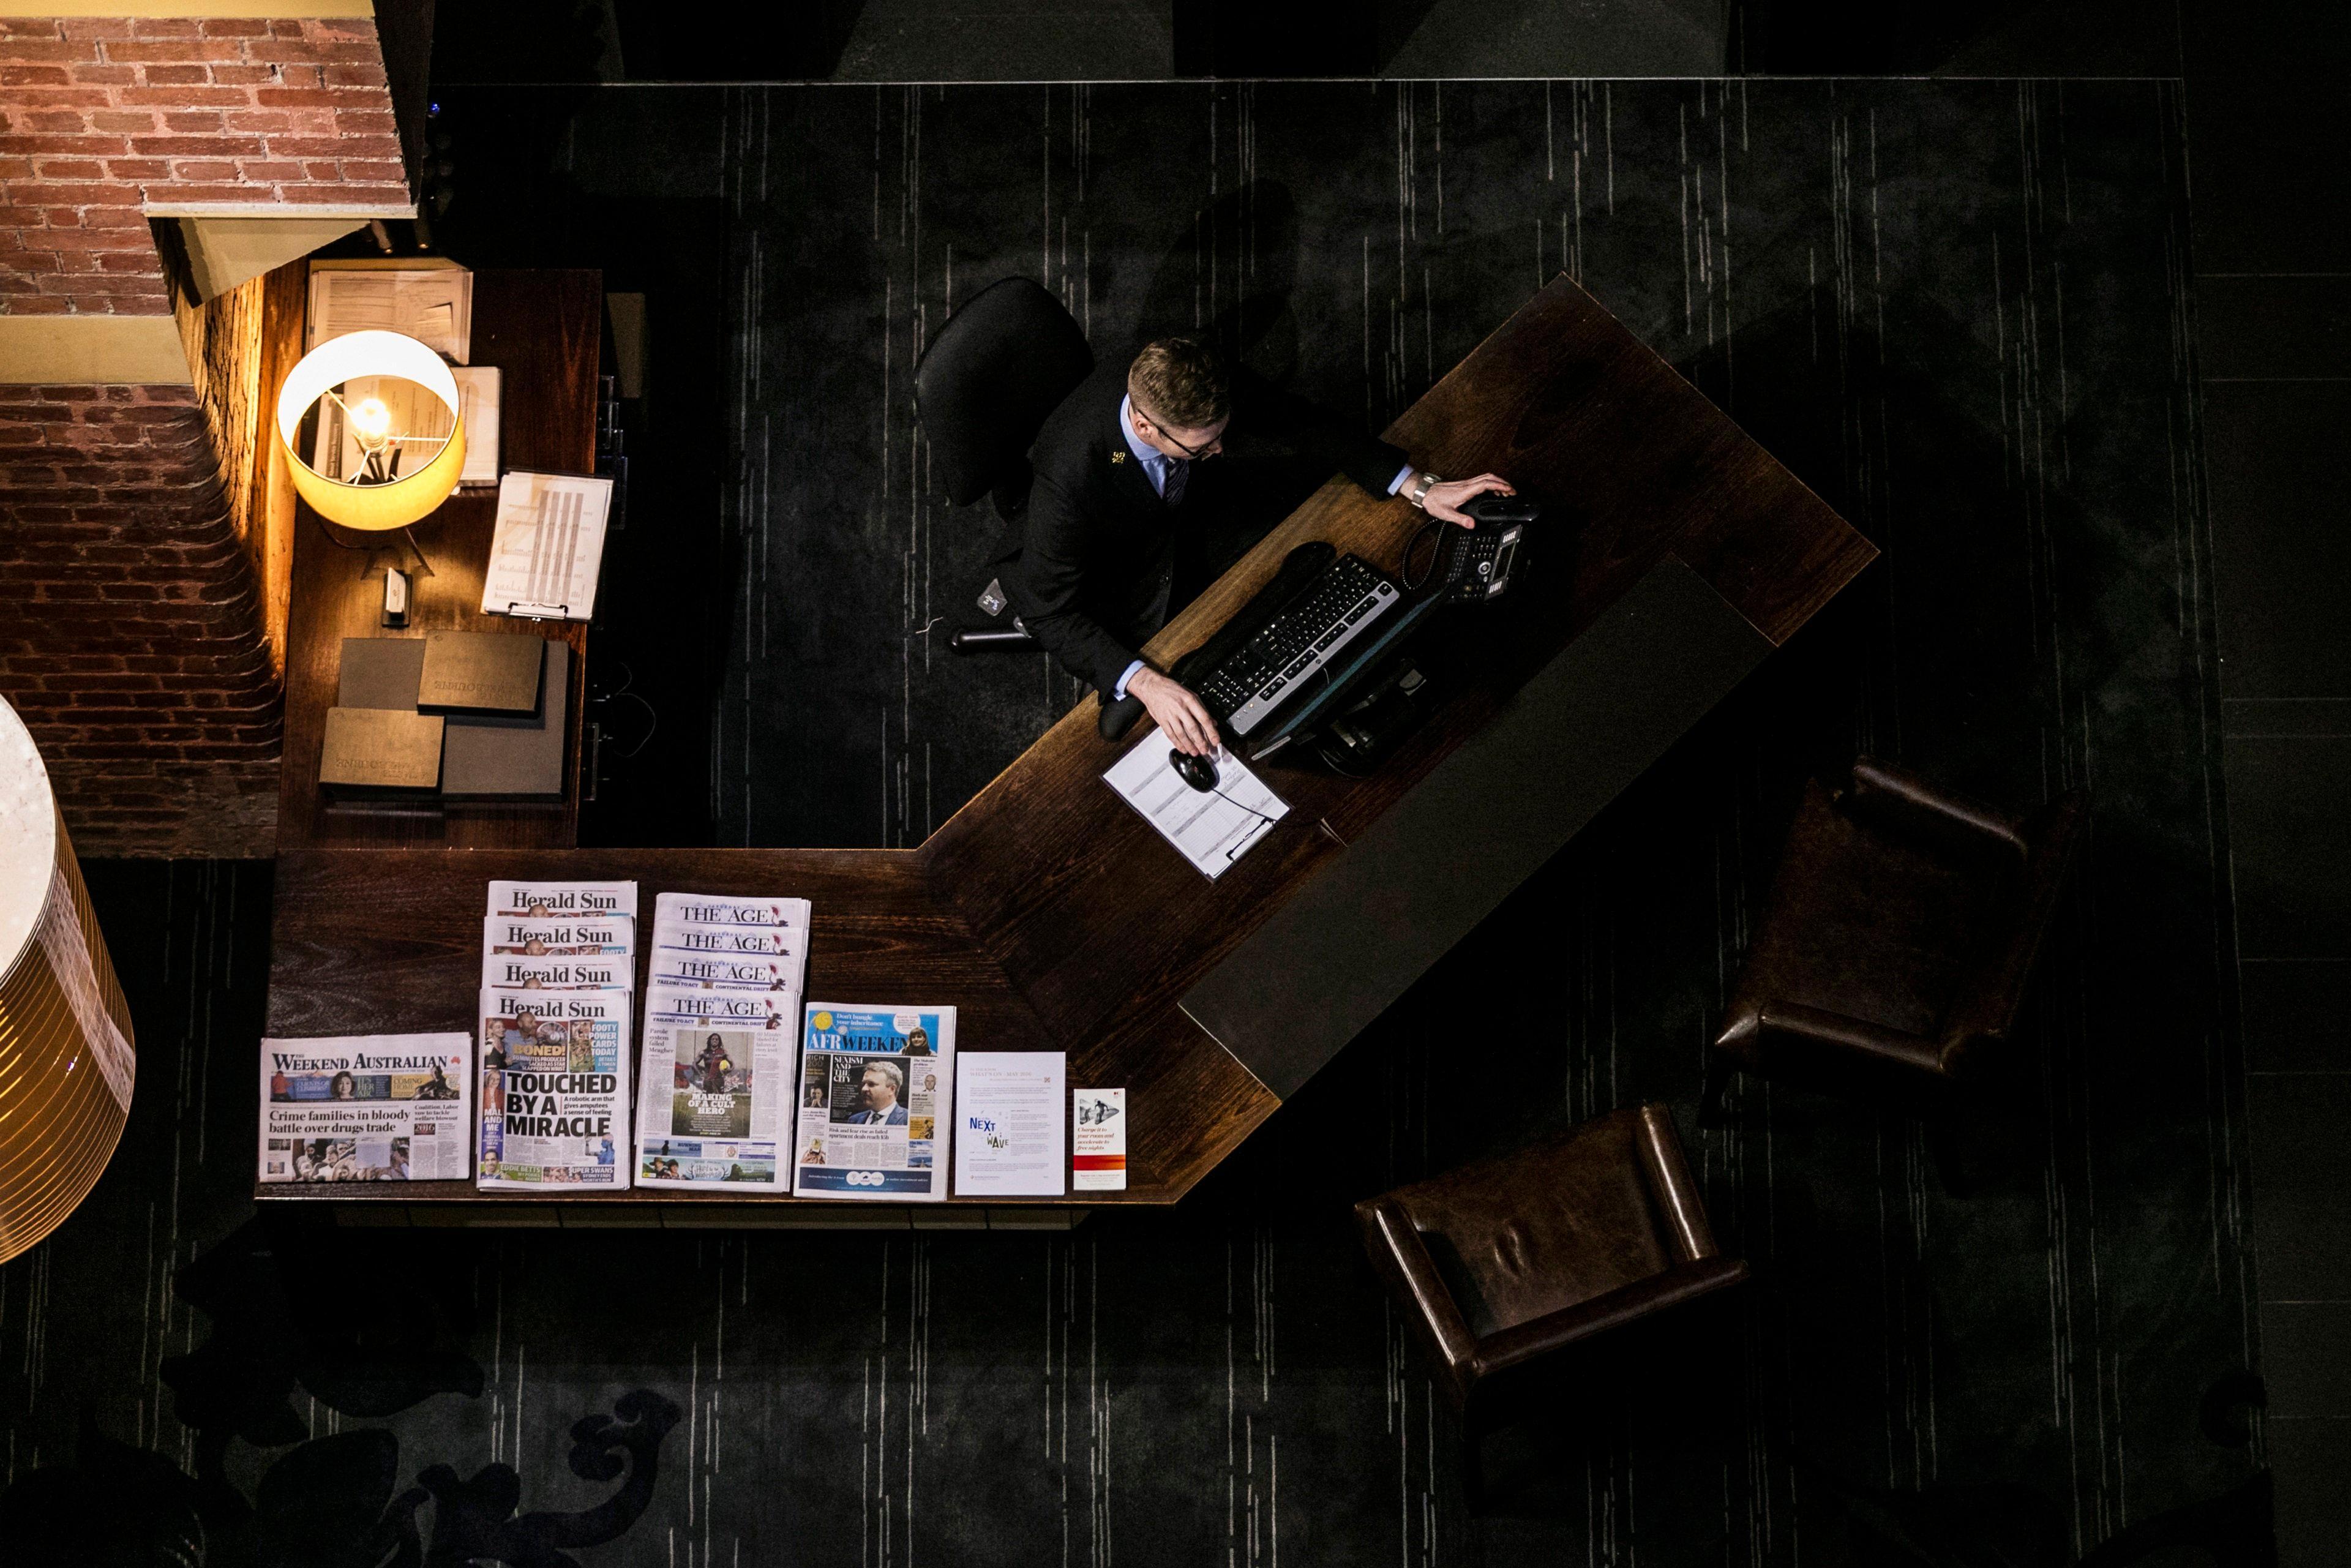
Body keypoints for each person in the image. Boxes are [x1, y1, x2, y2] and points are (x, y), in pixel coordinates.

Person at [997, 335, 1516, 755]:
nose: (1222, 447)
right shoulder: (1072, 476)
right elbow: (1048, 611)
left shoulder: (1198, 371)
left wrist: (1417, 486)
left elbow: (1296, 418)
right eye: (1203, 445)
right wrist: (1143, 683)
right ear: (1142, 426)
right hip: (1118, 560)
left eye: (1220, 433)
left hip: (1188, 510)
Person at [848, 1060, 909, 1125]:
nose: (864, 1089)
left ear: (892, 1089)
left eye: (871, 1084)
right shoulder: (854, 1120)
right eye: (864, 1084)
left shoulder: (907, 1119)